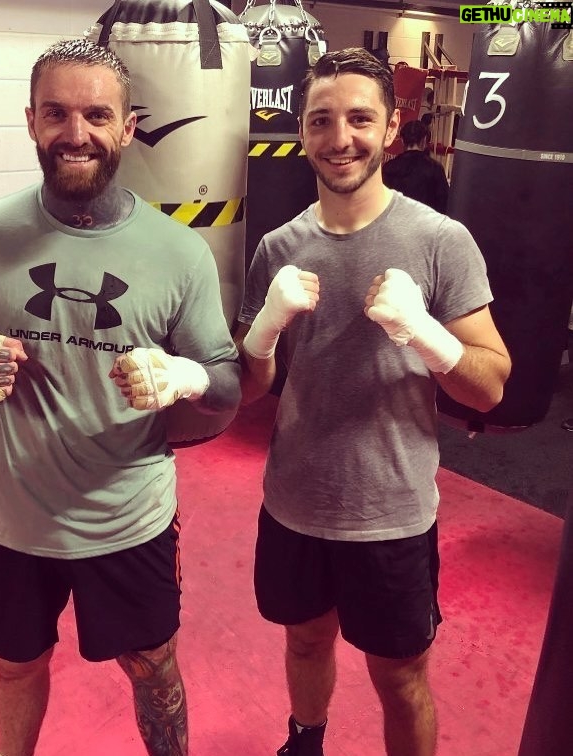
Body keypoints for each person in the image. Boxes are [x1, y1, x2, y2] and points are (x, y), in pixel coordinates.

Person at [0, 39, 240, 756]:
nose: (76, 133)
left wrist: (181, 377)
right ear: (31, 121)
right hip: (12, 518)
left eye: (98, 114)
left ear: (128, 126)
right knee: (15, 666)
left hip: (129, 520)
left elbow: (226, 380)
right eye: (57, 113)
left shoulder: (179, 252)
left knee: (152, 667)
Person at [234, 48, 511, 756]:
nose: (340, 138)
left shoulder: (441, 242)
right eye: (321, 121)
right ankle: (305, 740)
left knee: (401, 675)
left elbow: (490, 383)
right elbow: (248, 389)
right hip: (294, 499)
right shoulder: (278, 246)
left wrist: (426, 335)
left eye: (360, 118)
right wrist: (264, 327)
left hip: (390, 509)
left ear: (392, 129)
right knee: (303, 641)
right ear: (301, 132)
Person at [382, 118, 450, 214]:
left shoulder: (388, 167)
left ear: (402, 140)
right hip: (426, 225)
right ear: (424, 140)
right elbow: (444, 205)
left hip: (394, 225)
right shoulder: (435, 168)